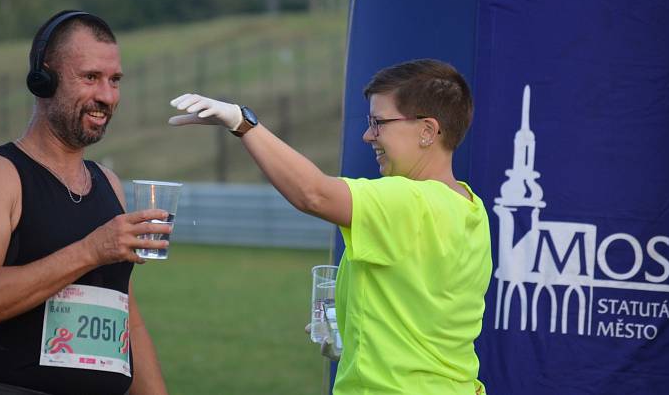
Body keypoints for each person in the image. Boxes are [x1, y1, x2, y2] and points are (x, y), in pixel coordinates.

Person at [169, 59, 492, 395]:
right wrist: (353, 327)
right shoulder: (471, 207)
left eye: (379, 122)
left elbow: (314, 194)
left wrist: (242, 123)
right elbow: (423, 309)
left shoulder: (410, 201)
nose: (368, 135)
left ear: (427, 130)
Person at [0, 10, 171, 395]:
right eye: (90, 78)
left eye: (114, 80)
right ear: (43, 79)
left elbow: (124, 316)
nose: (106, 96)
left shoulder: (108, 184)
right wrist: (91, 250)